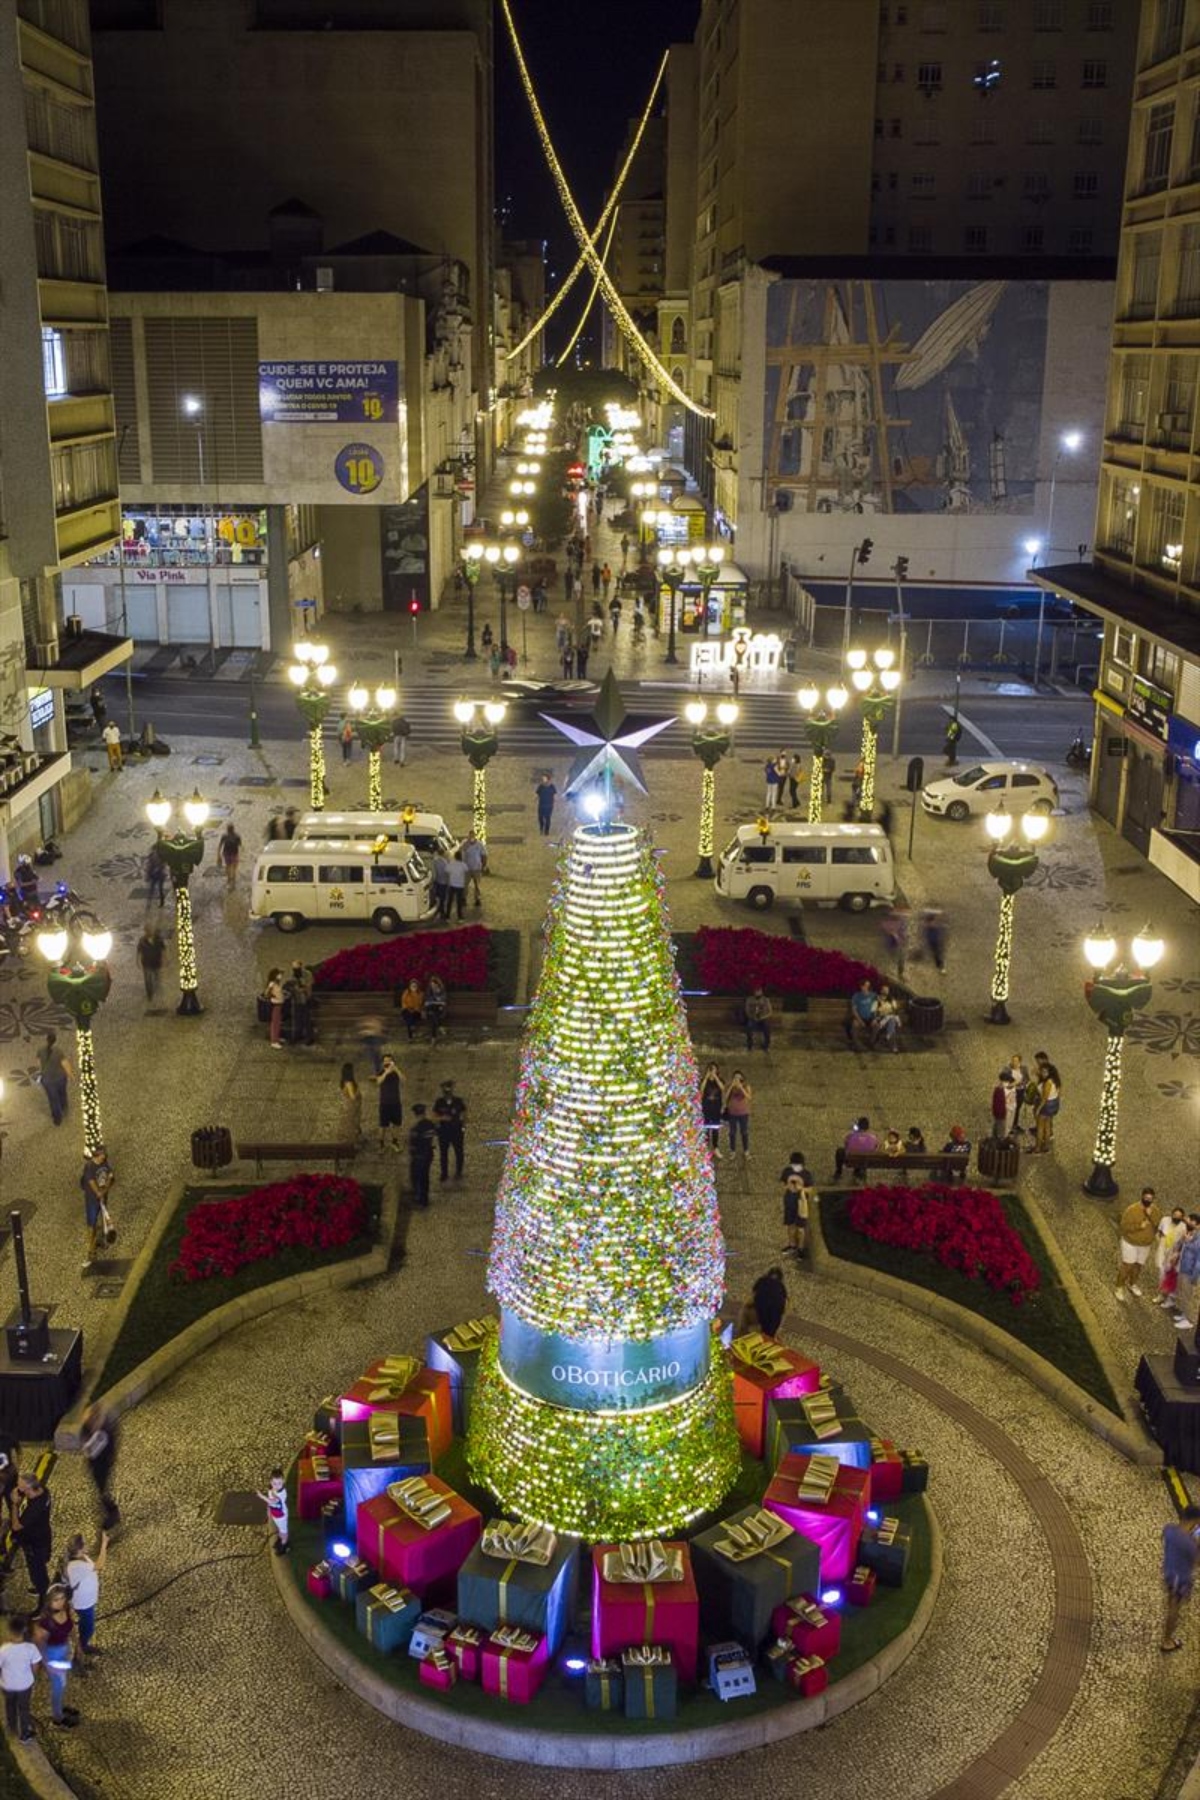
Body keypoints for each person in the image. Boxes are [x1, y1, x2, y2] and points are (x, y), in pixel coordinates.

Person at [34, 1587, 79, 1730]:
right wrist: (48, 1665)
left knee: (63, 1683)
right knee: (58, 1686)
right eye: (56, 1599)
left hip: (64, 1649)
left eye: (62, 1598)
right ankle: (57, 1718)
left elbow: (71, 1627)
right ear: (49, 1602)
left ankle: (60, 1709)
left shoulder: (66, 1609)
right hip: (52, 1655)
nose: (60, 1602)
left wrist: (78, 1645)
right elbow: (40, 1647)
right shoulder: (46, 1622)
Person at [1161, 1506, 1200, 1653]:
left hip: (1169, 1571)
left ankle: (1168, 1636)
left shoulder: (1169, 1530)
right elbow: (1197, 1561)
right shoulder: (1189, 1544)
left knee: (1172, 1603)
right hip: (1179, 1579)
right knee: (1174, 1608)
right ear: (1195, 1520)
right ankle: (1167, 1640)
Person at [12, 1472, 52, 1607]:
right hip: (43, 1537)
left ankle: (43, 1600)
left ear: (29, 1489)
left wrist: (14, 1504)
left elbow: (16, 1526)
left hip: (35, 1544)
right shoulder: (43, 1491)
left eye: (20, 1486)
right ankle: (41, 1587)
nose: (17, 1488)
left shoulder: (34, 1508)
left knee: (37, 1571)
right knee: (39, 1569)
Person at [1115, 1187, 1162, 1301]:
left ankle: (1132, 1284)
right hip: (1130, 1242)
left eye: (1151, 1199)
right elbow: (1124, 1227)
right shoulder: (1131, 1210)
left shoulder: (1155, 1211)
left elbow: (1158, 1226)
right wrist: (1138, 1226)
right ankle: (1119, 1287)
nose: (1148, 1200)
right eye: (1146, 1198)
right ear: (1141, 1197)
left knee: (1138, 1266)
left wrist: (1150, 1215)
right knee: (1127, 1265)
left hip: (1145, 1244)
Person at [65, 1533, 106, 1660]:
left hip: (86, 1600)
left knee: (85, 1624)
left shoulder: (81, 1558)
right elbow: (99, 1565)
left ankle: (82, 1645)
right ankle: (81, 1648)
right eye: (85, 1543)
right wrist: (104, 1545)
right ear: (79, 1549)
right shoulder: (77, 1566)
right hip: (83, 1603)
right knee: (89, 1628)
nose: (87, 1544)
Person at [0, 1615, 40, 1743]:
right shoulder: (30, 1649)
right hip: (24, 1685)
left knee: (9, 1704)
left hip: (7, 1685)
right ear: (24, 1630)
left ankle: (11, 1727)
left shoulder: (3, 1649)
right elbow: (35, 1666)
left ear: (9, 1631)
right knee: (24, 1708)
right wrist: (33, 1677)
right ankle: (24, 1734)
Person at [80, 1403, 120, 1530]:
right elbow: (84, 1443)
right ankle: (108, 1506)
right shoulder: (86, 1427)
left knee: (102, 1489)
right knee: (100, 1487)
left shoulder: (106, 1429)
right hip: (94, 1462)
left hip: (103, 1463)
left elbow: (110, 1448)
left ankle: (112, 1512)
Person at [79, 1145, 114, 1273]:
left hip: (102, 1198)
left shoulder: (105, 1163)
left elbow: (110, 1176)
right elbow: (91, 1182)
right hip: (92, 1201)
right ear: (97, 1155)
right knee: (91, 1225)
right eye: (103, 1154)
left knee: (103, 1220)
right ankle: (91, 1251)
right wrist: (99, 1193)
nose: (105, 1156)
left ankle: (102, 1239)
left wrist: (105, 1190)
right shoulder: (90, 1167)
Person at [1154, 1206, 1188, 1309]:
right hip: (1162, 1248)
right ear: (1172, 1214)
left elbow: (1183, 1242)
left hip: (1173, 1252)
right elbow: (1159, 1231)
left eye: (1179, 1216)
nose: (1176, 1217)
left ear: (1182, 1217)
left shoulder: (1183, 1227)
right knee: (1161, 1272)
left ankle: (1168, 1297)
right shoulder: (1165, 1220)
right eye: (1175, 1215)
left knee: (1169, 1274)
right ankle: (1161, 1295)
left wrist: (1177, 1254)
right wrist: (1159, 1241)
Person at [36, 1031, 71, 1127]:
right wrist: (70, 1075)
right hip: (60, 1078)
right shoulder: (58, 1051)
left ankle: (57, 1118)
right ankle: (64, 1108)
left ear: (47, 1040)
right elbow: (65, 1064)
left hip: (47, 1080)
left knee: (53, 1099)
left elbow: (39, 1063)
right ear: (55, 1041)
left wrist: (41, 1072)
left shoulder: (40, 1050)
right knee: (62, 1093)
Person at [433, 1080, 466, 1181]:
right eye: (445, 1090)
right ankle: (444, 1173)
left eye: (449, 1089)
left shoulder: (458, 1101)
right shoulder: (439, 1102)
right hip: (444, 1132)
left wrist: (463, 1124)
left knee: (459, 1152)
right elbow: (434, 1116)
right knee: (443, 1154)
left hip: (456, 1131)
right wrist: (442, 1118)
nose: (447, 1092)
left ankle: (459, 1172)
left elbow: (464, 1112)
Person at [782, 1163, 814, 1259]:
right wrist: (788, 1186)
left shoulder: (807, 1174)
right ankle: (792, 1246)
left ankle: (800, 1249)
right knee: (790, 1226)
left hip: (801, 1205)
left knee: (800, 1229)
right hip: (789, 1204)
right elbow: (782, 1185)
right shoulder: (787, 1171)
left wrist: (802, 1188)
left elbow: (811, 1189)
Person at [408, 1103, 437, 1208]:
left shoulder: (416, 1129)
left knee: (417, 1178)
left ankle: (420, 1200)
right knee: (425, 1177)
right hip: (428, 1154)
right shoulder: (430, 1125)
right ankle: (424, 1200)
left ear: (416, 1114)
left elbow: (412, 1146)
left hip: (419, 1156)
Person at [256, 1469, 289, 1556]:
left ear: (283, 1481)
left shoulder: (282, 1493)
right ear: (271, 1482)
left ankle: (284, 1544)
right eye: (274, 1483)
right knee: (280, 1529)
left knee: (284, 1531)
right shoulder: (271, 1490)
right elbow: (270, 1503)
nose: (277, 1486)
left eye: (279, 1483)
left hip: (281, 1515)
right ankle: (281, 1539)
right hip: (275, 1514)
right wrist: (269, 1511)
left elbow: (273, 1501)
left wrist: (262, 1497)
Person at [1031, 1060, 1061, 1154]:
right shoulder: (1055, 1080)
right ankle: (1046, 1146)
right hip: (1054, 1103)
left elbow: (1044, 1098)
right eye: (1042, 1071)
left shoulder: (1047, 1083)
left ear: (1049, 1072)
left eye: (1044, 1072)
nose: (1043, 1073)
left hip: (1047, 1105)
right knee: (1047, 1125)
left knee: (1040, 1127)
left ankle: (1037, 1147)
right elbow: (1059, 1092)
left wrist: (1037, 1110)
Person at [375, 1053, 404, 1151]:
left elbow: (404, 1079)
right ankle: (381, 1144)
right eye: (385, 1061)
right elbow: (378, 1082)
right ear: (383, 1063)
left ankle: (394, 1142)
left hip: (396, 1103)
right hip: (384, 1103)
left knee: (396, 1125)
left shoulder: (396, 1072)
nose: (387, 1062)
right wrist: (386, 1072)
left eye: (389, 1060)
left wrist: (396, 1069)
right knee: (383, 1126)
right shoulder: (380, 1072)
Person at [724, 1070, 752, 1158]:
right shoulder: (730, 1086)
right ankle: (732, 1151)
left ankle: (746, 1150)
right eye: (735, 1077)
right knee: (732, 1133)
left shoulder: (746, 1086)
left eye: (739, 1077)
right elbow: (725, 1097)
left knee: (744, 1132)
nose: (737, 1079)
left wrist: (741, 1088)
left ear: (742, 1078)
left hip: (743, 1113)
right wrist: (732, 1086)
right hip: (732, 1113)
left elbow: (749, 1097)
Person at [286, 959, 314, 1045]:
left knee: (307, 1019)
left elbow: (309, 985)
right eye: (293, 968)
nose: (295, 970)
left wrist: (302, 988)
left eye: (296, 968)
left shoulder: (307, 974)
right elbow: (291, 987)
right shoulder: (293, 976)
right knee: (297, 1019)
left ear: (300, 966)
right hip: (297, 999)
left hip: (305, 999)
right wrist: (293, 988)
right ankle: (298, 1035)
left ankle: (310, 1037)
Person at [700, 1063, 725, 1160]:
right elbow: (701, 1090)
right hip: (706, 1108)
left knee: (715, 1129)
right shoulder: (704, 1080)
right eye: (710, 1069)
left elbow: (722, 1088)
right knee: (706, 1129)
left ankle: (715, 1148)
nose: (712, 1071)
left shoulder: (720, 1080)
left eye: (714, 1069)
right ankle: (706, 1149)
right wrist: (706, 1078)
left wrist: (715, 1077)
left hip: (716, 1108)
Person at [846, 978, 879, 1047]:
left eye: (868, 986)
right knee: (855, 1024)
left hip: (870, 1018)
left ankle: (871, 1042)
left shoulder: (873, 995)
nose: (867, 987)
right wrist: (860, 1020)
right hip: (860, 1017)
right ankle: (856, 1044)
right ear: (861, 986)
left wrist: (875, 1018)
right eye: (866, 985)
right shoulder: (856, 996)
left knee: (876, 1025)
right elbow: (854, 1010)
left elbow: (876, 1008)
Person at [136, 925, 164, 1003]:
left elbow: (163, 949)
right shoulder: (142, 941)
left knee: (157, 977)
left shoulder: (158, 939)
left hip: (156, 962)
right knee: (148, 980)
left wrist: (165, 959)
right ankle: (150, 995)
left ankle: (157, 991)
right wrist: (137, 961)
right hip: (147, 963)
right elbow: (138, 951)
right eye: (147, 931)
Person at [881, 905, 909, 977]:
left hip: (901, 941)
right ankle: (895, 973)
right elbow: (891, 932)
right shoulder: (889, 922)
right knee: (895, 957)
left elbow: (903, 930)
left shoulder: (903, 919)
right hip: (894, 943)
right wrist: (897, 937)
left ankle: (900, 973)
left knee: (901, 958)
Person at [872, 983, 901, 1051]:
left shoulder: (892, 1000)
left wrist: (899, 1021)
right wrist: (874, 1019)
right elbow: (873, 1011)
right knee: (892, 1023)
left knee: (892, 1019)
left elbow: (895, 1011)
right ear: (881, 991)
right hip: (881, 1018)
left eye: (887, 990)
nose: (885, 991)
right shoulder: (877, 1000)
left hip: (890, 1017)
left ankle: (888, 1039)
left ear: (888, 991)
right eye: (884, 990)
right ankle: (893, 1046)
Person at [338, 1063, 362, 1146]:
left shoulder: (343, 1081)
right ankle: (353, 1142)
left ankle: (351, 1139)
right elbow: (353, 1097)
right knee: (352, 1124)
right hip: (351, 1107)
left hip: (346, 1106)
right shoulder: (349, 1083)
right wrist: (358, 1093)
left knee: (349, 1123)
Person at [919, 905, 948, 972]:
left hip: (936, 941)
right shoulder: (929, 927)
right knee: (935, 953)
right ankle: (939, 965)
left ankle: (941, 966)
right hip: (932, 941)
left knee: (937, 953)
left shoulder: (935, 927)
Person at [743, 986, 772, 1051]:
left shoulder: (766, 1000)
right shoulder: (749, 999)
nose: (757, 993)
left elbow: (770, 1012)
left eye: (759, 991)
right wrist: (752, 1017)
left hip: (763, 1018)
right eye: (756, 991)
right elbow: (747, 1010)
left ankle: (766, 1045)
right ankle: (750, 1044)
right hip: (753, 1018)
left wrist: (763, 1017)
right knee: (749, 1026)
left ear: (761, 992)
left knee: (767, 1027)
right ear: (754, 992)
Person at [462, 832, 486, 906]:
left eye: (472, 836)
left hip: (477, 868)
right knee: (465, 884)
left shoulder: (479, 844)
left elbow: (484, 854)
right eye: (470, 836)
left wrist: (483, 865)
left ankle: (477, 899)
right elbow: (461, 852)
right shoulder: (465, 844)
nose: (471, 837)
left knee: (477, 885)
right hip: (467, 868)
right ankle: (464, 899)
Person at [265, 967, 285, 1049]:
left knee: (278, 1022)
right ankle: (274, 1041)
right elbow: (266, 993)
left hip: (279, 1004)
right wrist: (272, 996)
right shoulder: (272, 984)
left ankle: (276, 1038)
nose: (280, 976)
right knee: (275, 1023)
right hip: (275, 1005)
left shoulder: (277, 983)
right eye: (279, 974)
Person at [444, 848, 467, 920]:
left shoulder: (451, 863)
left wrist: (448, 882)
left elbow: (447, 872)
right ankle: (460, 917)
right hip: (460, 885)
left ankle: (447, 916)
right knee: (459, 902)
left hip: (452, 885)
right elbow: (466, 873)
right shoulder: (463, 865)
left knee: (449, 901)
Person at [399, 977, 425, 1042]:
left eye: (415, 985)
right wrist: (408, 1008)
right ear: (410, 986)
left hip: (416, 1011)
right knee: (409, 1016)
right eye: (412, 985)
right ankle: (412, 1029)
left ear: (417, 986)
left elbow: (420, 1003)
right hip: (406, 1010)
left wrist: (414, 1009)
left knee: (410, 1019)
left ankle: (410, 1037)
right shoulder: (406, 992)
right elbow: (403, 1001)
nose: (414, 987)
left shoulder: (421, 994)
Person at [217, 824, 242, 890]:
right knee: (233, 868)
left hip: (227, 854)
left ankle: (229, 881)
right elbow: (240, 845)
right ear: (233, 829)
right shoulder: (237, 836)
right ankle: (233, 882)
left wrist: (218, 854)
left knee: (228, 867)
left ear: (227, 829)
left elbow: (220, 845)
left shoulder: (224, 836)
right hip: (234, 854)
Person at [424, 973, 447, 1039]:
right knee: (433, 1013)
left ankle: (433, 1038)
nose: (433, 986)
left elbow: (443, 1001)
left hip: (438, 1009)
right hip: (431, 1009)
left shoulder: (442, 990)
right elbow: (427, 1001)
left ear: (438, 984)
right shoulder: (429, 991)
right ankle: (440, 1027)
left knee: (433, 1016)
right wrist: (437, 1001)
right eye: (432, 985)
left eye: (434, 984)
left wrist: (435, 1002)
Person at [145, 843, 168, 907]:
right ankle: (149, 902)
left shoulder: (161, 856)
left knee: (159, 889)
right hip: (155, 875)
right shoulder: (151, 855)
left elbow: (163, 865)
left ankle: (161, 901)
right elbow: (149, 865)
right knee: (152, 888)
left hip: (159, 875)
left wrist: (157, 869)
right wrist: (148, 874)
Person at [431, 849, 450, 919]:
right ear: (443, 854)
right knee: (443, 898)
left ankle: (438, 910)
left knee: (438, 897)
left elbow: (434, 871)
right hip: (443, 882)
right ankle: (442, 912)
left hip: (437, 881)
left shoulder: (435, 861)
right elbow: (447, 873)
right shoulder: (445, 862)